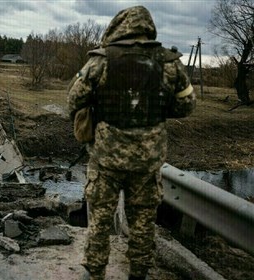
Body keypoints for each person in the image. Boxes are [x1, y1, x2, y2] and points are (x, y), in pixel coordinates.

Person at [68, 6, 196, 280]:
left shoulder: (100, 61)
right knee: (142, 223)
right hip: (147, 161)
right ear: (148, 28)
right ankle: (138, 273)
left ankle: (95, 273)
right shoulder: (169, 62)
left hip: (106, 160)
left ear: (117, 27)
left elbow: (74, 99)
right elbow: (187, 105)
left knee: (100, 221)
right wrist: (156, 109)